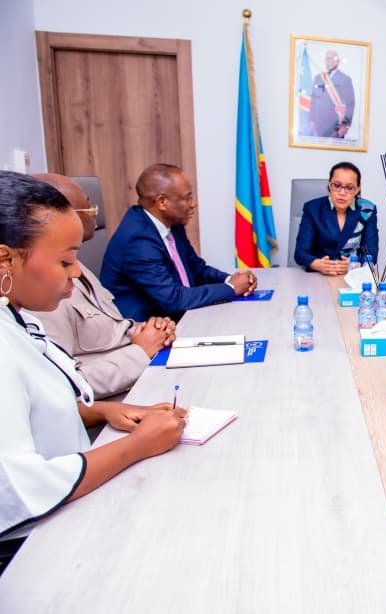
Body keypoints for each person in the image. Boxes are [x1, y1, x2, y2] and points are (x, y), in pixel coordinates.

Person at [0, 171, 187, 570]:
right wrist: (138, 446)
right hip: (28, 551)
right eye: (65, 261)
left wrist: (103, 410)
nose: (75, 273)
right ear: (5, 260)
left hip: (69, 503)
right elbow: (20, 488)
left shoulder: (17, 315)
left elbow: (35, 402)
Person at [24, 174, 175, 399]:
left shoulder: (76, 264)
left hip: (137, 372)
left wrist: (150, 330)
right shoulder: (39, 291)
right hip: (115, 396)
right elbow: (67, 386)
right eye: (88, 207)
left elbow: (109, 328)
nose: (95, 211)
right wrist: (141, 351)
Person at [101, 164, 257, 321]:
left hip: (181, 316)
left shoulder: (173, 224)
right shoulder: (138, 240)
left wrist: (231, 279)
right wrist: (231, 288)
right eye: (187, 197)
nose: (193, 204)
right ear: (162, 202)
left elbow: (198, 270)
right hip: (148, 326)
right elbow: (172, 299)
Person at [294, 162, 378, 275]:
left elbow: (371, 254)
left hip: (352, 275)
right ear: (329, 185)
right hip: (319, 275)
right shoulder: (312, 208)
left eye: (349, 187)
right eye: (337, 185)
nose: (342, 192)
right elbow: (300, 252)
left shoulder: (367, 210)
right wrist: (317, 264)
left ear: (357, 189)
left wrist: (355, 263)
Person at [310, 49, 356, 139]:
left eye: (332, 59)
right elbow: (313, 100)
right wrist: (312, 120)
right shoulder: (318, 78)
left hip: (337, 125)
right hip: (320, 124)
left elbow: (350, 104)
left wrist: (345, 125)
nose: (330, 61)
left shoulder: (345, 79)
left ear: (337, 61)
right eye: (327, 59)